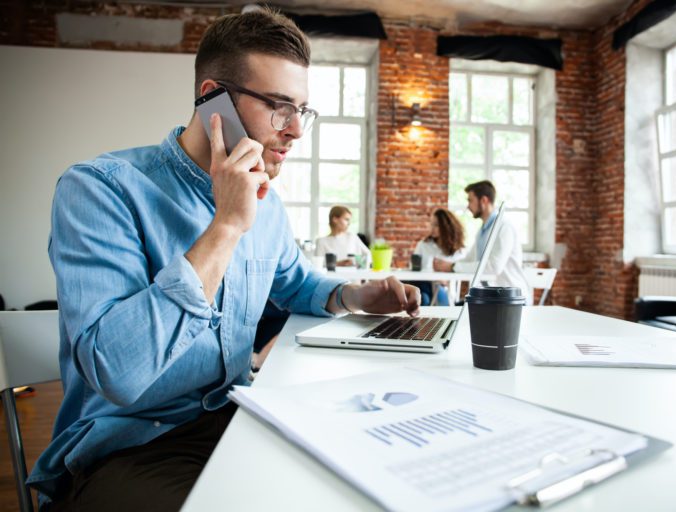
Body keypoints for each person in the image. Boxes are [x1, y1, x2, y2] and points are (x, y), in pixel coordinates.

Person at [30, 9, 419, 511]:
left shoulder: (268, 203)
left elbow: (295, 284)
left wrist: (352, 295)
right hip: (132, 446)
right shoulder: (100, 189)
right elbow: (118, 374)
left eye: (303, 109)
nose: (297, 130)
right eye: (280, 107)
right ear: (213, 97)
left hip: (242, 418)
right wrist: (226, 226)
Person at [433, 180, 531, 304]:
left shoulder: (503, 227)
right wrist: (447, 265)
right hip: (493, 297)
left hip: (511, 299)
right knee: (455, 309)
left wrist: (452, 267)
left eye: (470, 200)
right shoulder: (483, 231)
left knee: (457, 310)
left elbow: (494, 267)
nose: (468, 206)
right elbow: (469, 258)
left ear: (484, 200)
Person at [411, 208, 467, 305]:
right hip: (424, 286)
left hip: (445, 292)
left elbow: (461, 274)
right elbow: (414, 269)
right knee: (422, 297)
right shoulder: (423, 245)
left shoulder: (458, 251)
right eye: (431, 224)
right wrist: (435, 278)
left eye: (436, 225)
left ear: (446, 227)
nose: (431, 228)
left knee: (437, 293)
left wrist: (445, 280)